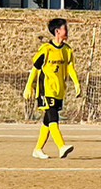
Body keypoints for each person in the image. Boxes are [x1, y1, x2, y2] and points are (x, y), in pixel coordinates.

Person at [25, 17, 82, 160]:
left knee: (47, 121)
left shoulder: (67, 50)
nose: (67, 31)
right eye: (65, 28)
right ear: (57, 31)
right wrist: (28, 87)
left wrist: (76, 83)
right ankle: (61, 146)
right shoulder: (46, 49)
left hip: (59, 90)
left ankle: (37, 149)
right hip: (46, 89)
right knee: (53, 118)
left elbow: (70, 68)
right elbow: (35, 69)